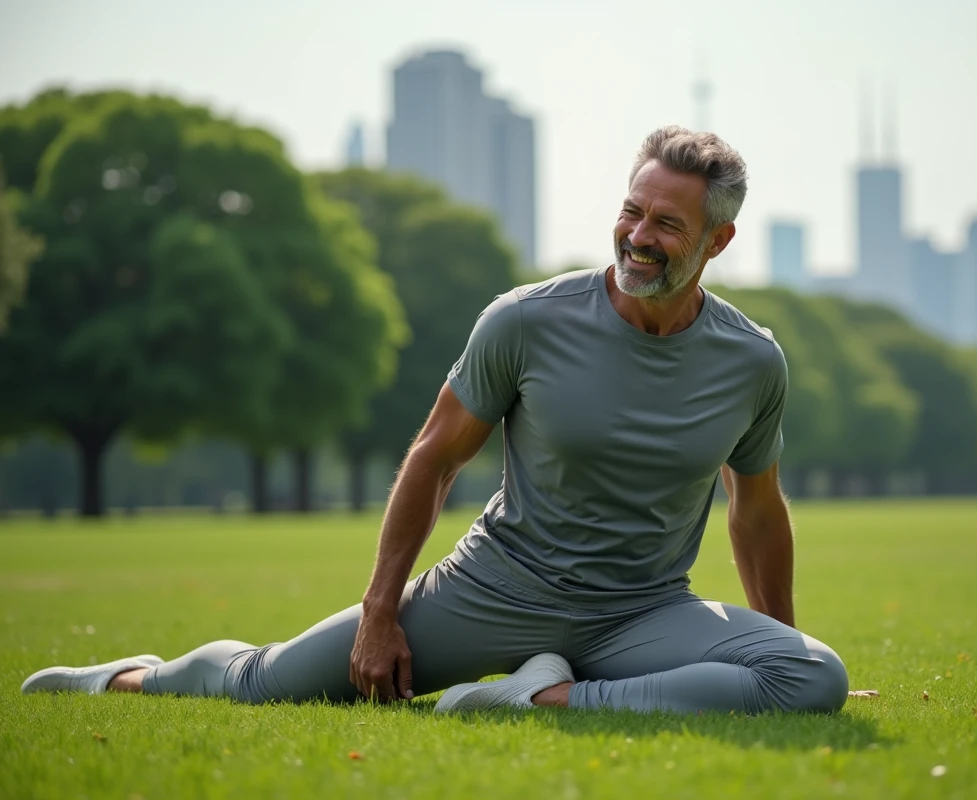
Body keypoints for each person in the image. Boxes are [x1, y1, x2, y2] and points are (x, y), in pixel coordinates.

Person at [22, 126, 851, 715]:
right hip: (496, 588)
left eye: (668, 224)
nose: (638, 237)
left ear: (719, 238)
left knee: (814, 678)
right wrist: (381, 610)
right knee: (268, 684)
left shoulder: (751, 361)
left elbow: (756, 507)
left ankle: (542, 699)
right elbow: (432, 459)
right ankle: (128, 679)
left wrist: (770, 644)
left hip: (643, 613)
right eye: (633, 211)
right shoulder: (526, 321)